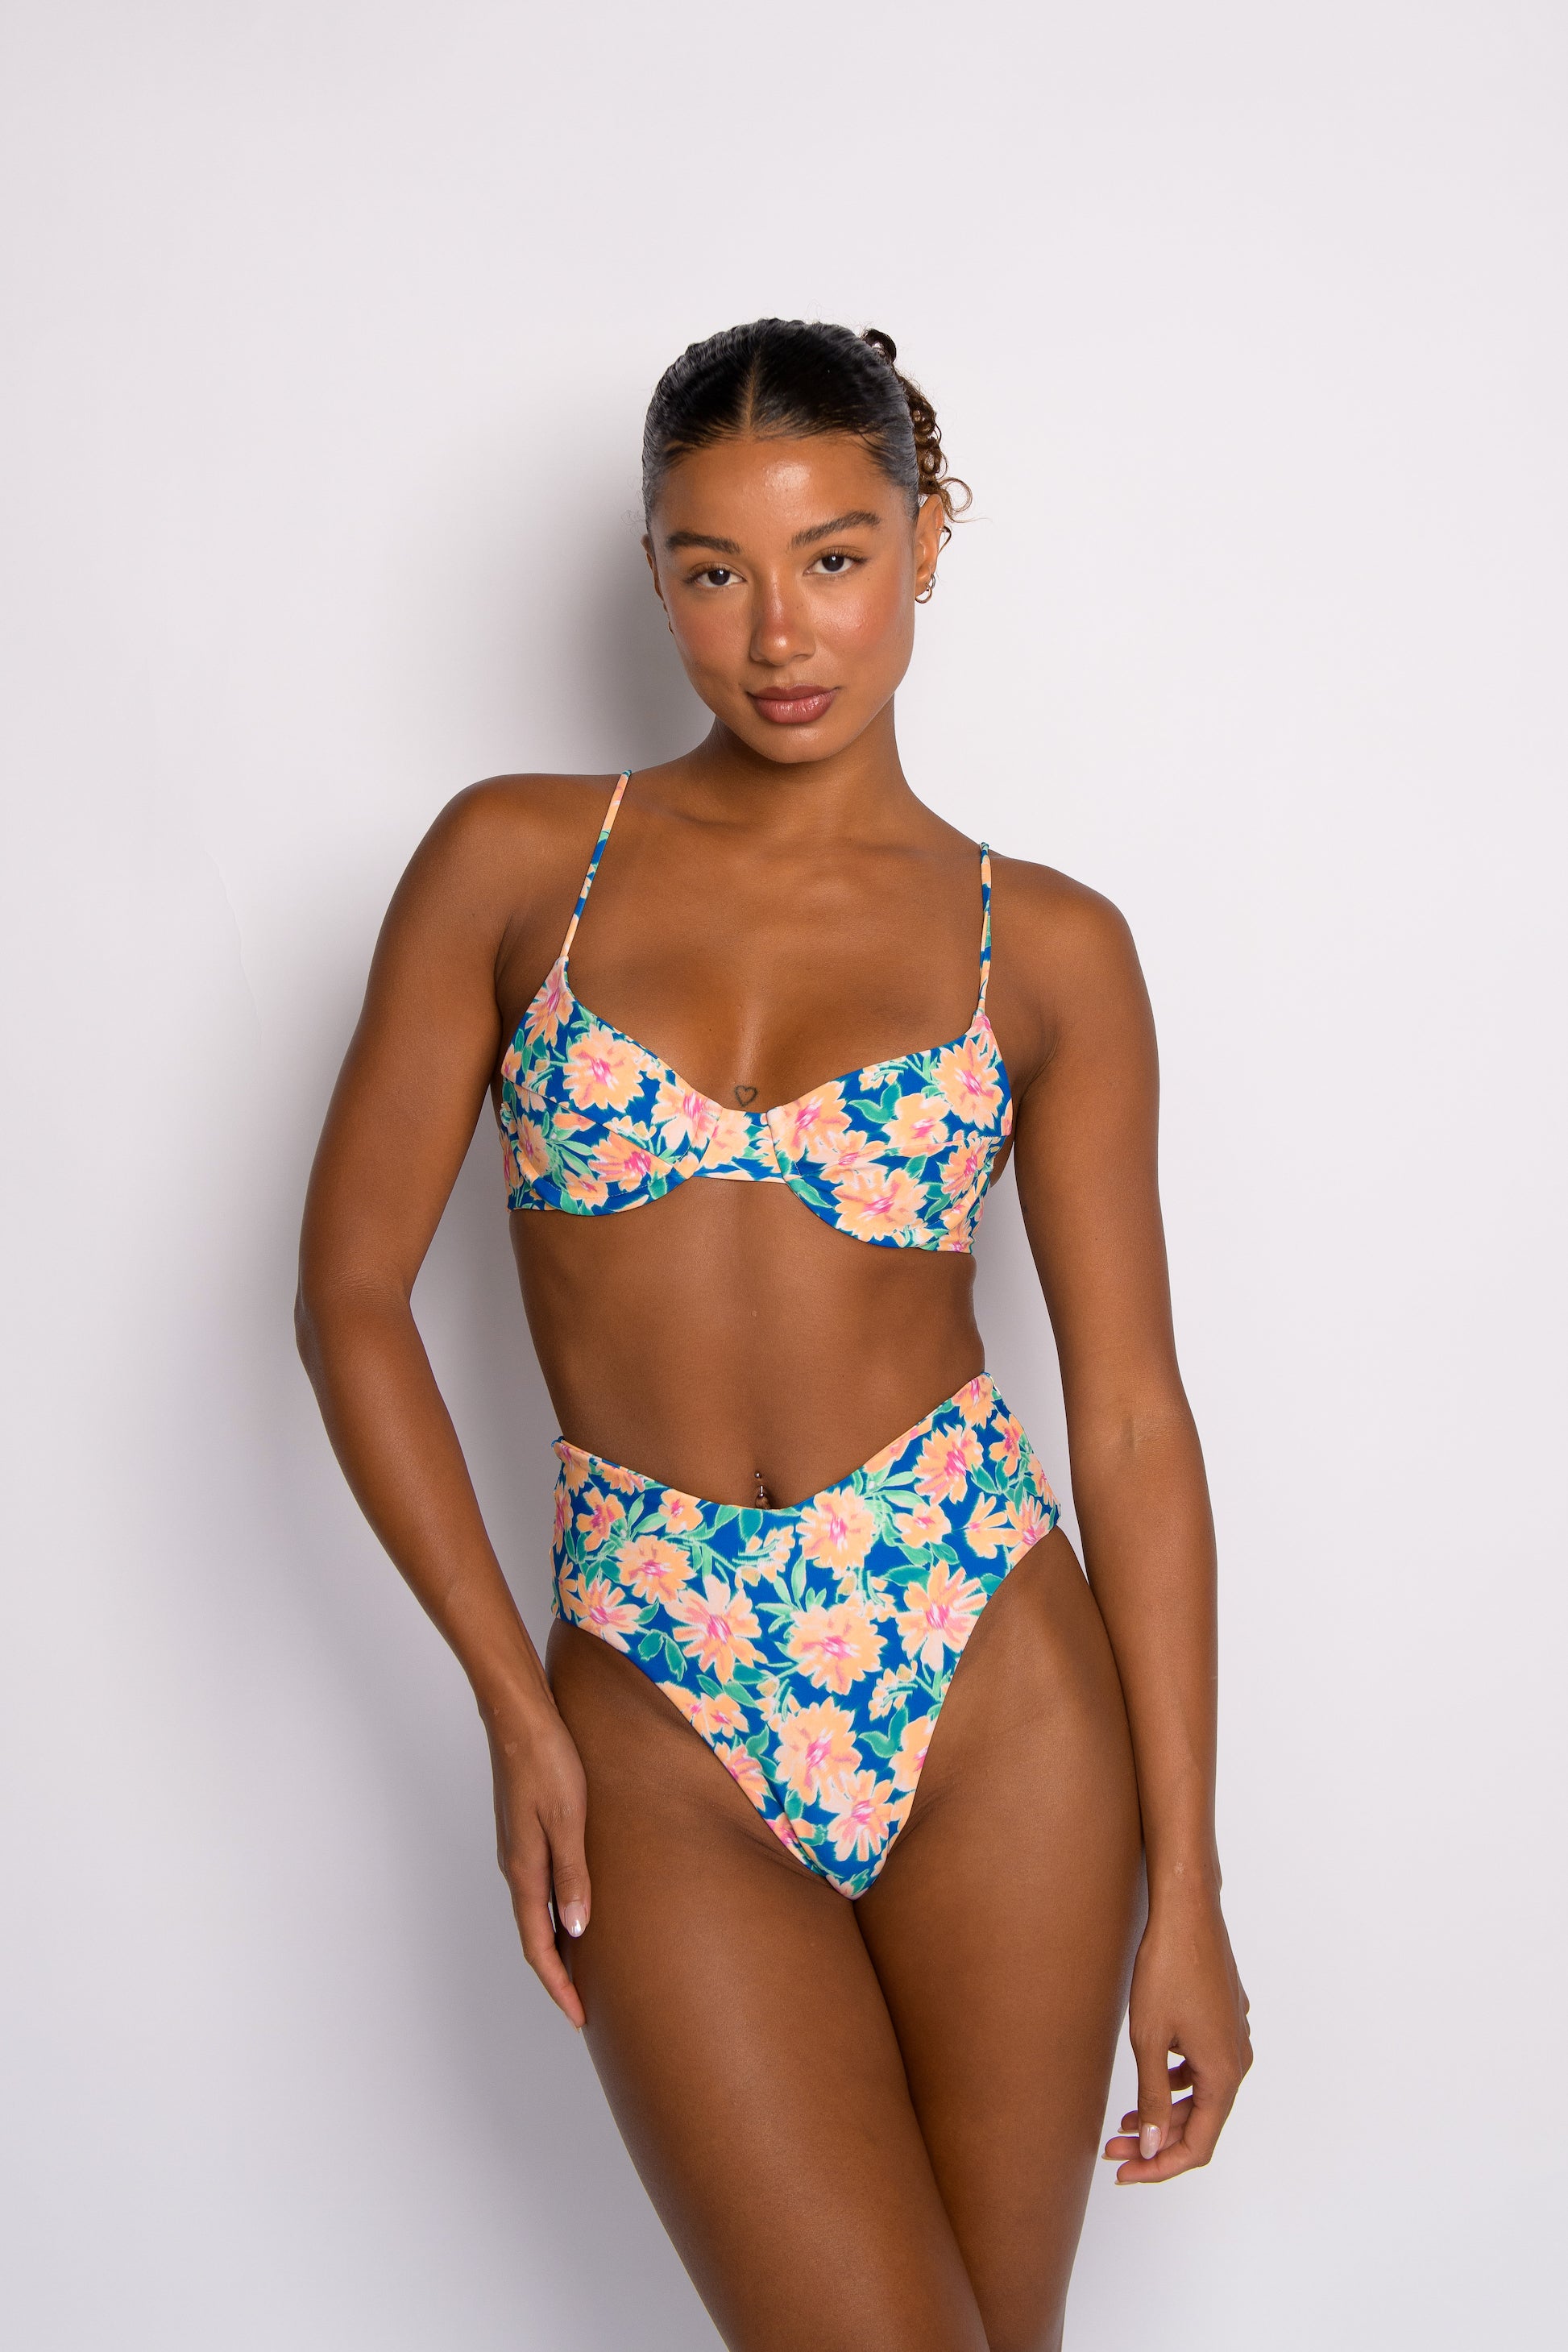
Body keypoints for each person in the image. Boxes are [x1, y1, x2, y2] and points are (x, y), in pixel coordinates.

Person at [296, 318, 1251, 2352]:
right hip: (649, 1688)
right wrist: (514, 1702)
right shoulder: (518, 865)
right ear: (653, 575)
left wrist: (1191, 1884)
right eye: (712, 567)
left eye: (835, 555)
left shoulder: (1044, 945)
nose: (779, 631)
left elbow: (1133, 1422)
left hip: (990, 1669)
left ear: (925, 542)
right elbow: (350, 1299)